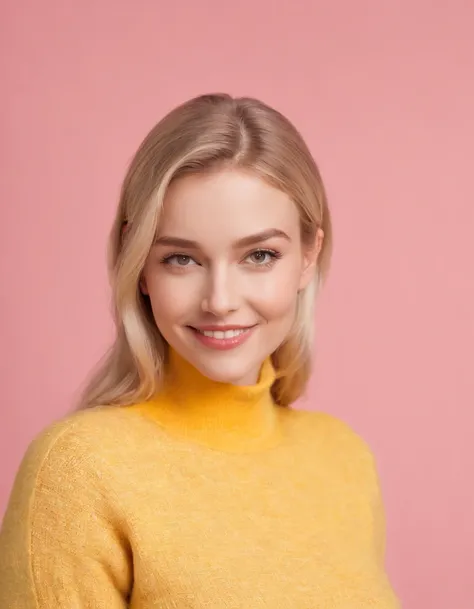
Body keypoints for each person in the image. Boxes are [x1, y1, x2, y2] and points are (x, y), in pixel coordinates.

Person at [0, 93, 400, 608]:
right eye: (182, 259)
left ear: (307, 257)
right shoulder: (79, 471)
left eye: (259, 255)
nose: (220, 301)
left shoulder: (344, 459)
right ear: (138, 262)